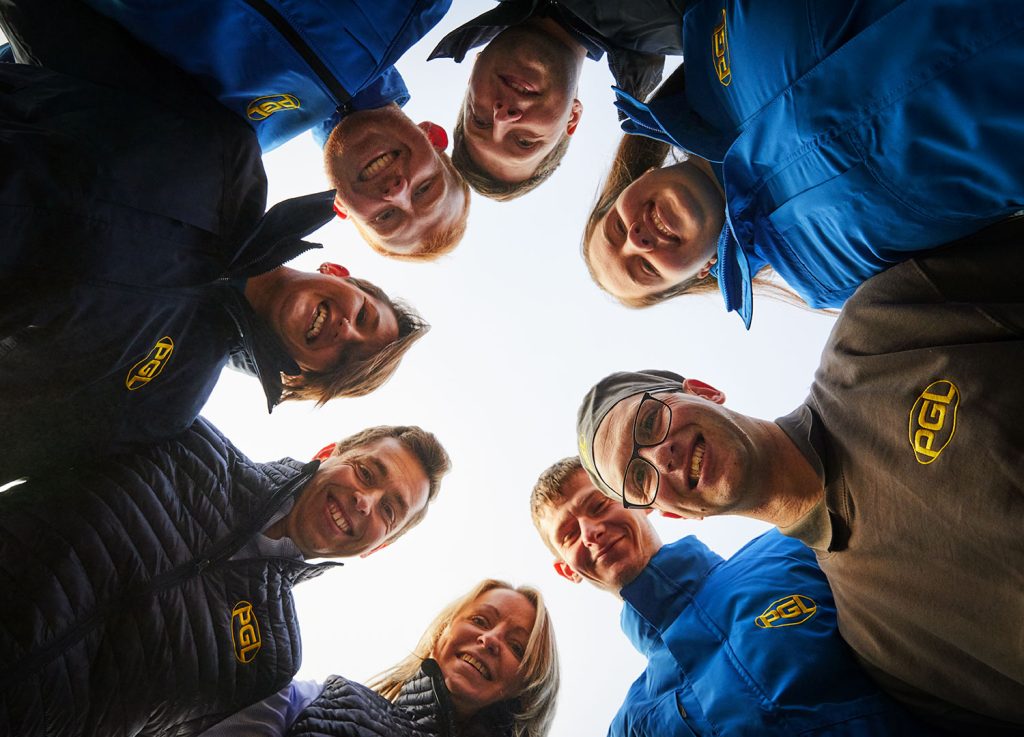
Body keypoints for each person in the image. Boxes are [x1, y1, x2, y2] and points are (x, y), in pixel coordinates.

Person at [576, 217, 1024, 733]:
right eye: (638, 478)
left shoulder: (878, 335)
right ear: (674, 512)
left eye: (650, 421)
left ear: (702, 389)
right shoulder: (879, 643)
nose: (662, 458)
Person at [0, 2, 429, 485]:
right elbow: (69, 37)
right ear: (338, 275)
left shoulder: (168, 397)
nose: (346, 331)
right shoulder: (230, 155)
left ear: (310, 373)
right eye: (365, 318)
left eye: (347, 358)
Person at [583, 0, 1024, 327]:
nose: (636, 240)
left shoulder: (707, 29)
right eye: (643, 268)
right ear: (701, 273)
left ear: (638, 179)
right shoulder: (829, 279)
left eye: (617, 229)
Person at [0, 418, 451, 737]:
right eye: (367, 472)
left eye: (389, 511)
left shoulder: (269, 663)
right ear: (327, 454)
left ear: (378, 546)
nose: (365, 501)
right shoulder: (184, 439)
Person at [2, 0, 468, 260]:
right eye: (426, 189)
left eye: (386, 217)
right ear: (433, 135)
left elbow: (47, 76)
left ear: (342, 208)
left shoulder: (217, 148)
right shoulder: (409, 10)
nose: (397, 191)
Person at [529, 457, 929, 736]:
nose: (590, 531)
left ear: (640, 501)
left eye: (597, 505)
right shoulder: (632, 725)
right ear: (567, 570)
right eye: (568, 534)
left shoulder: (791, 549)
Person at [199, 579, 560, 737]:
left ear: (524, 687)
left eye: (517, 647)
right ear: (441, 635)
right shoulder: (322, 699)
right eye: (480, 620)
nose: (490, 639)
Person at [427, 0, 687, 200]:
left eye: (480, 120)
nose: (502, 117)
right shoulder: (693, 20)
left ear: (474, 68)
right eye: (524, 141)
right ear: (572, 118)